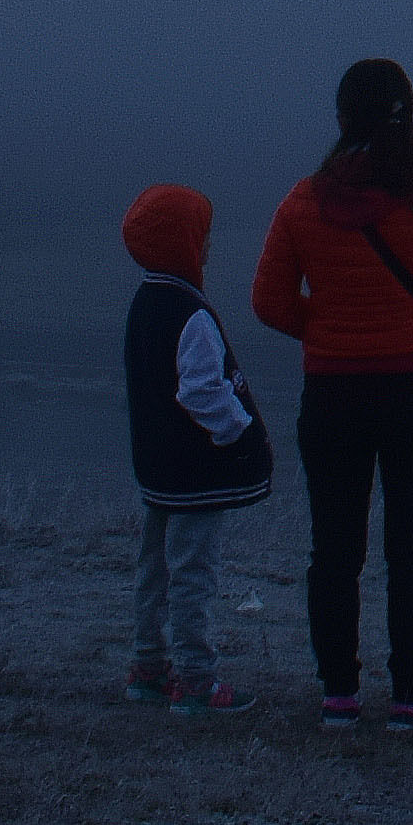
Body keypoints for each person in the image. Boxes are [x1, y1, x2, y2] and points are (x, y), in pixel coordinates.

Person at [247, 56, 413, 737]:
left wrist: (325, 328)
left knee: (334, 549)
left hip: (332, 395)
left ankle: (339, 699)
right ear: (408, 118)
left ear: (341, 119)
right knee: (411, 553)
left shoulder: (302, 202)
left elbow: (267, 302)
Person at [114, 181, 276, 710]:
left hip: (158, 468)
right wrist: (237, 430)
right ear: (183, 242)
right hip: (195, 472)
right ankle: (196, 680)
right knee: (193, 573)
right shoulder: (192, 315)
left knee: (155, 567)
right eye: (200, 234)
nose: (207, 244)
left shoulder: (144, 303)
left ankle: (149, 665)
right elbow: (202, 390)